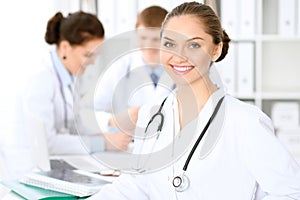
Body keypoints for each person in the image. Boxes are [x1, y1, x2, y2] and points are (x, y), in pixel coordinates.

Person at [89, 2, 300, 199]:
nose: (179, 57)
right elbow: (135, 184)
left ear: (215, 50)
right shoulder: (150, 115)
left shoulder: (245, 121)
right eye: (170, 43)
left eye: (194, 46)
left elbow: (291, 193)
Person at [22, 11, 131, 155]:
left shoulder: (70, 76)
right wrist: (103, 143)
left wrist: (109, 129)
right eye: (88, 55)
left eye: (95, 55)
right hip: (25, 166)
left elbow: (75, 124)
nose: (92, 62)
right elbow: (46, 142)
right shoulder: (42, 78)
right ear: (65, 47)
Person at [94, 6, 174, 138]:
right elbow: (90, 113)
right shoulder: (120, 67)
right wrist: (115, 120)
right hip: (129, 148)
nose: (149, 45)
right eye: (143, 38)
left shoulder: (182, 68)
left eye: (156, 39)